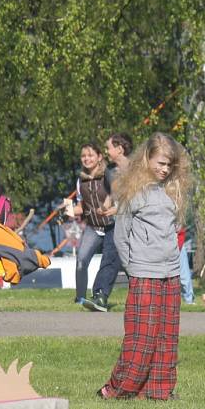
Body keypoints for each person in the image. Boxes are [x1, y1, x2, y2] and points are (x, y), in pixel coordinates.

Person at [99, 133, 190, 400]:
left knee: (166, 336)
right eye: (160, 163)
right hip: (143, 272)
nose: (164, 169)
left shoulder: (174, 191)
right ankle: (120, 388)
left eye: (169, 165)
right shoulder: (133, 192)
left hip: (170, 273)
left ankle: (157, 390)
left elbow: (175, 230)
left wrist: (171, 257)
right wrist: (133, 267)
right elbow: (121, 235)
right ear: (147, 158)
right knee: (142, 336)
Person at [86, 132, 134, 312]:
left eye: (108, 148)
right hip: (116, 223)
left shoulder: (137, 170)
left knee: (135, 262)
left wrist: (116, 209)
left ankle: (145, 296)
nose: (106, 151)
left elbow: (136, 198)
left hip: (135, 222)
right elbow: (110, 193)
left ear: (120, 149)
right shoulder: (110, 171)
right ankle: (100, 296)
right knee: (110, 256)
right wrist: (104, 208)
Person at [69, 143, 113, 311]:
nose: (86, 159)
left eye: (90, 155)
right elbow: (81, 207)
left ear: (99, 157)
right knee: (81, 260)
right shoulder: (80, 180)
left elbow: (117, 198)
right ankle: (80, 298)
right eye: (83, 156)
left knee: (121, 263)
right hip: (93, 227)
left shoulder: (108, 176)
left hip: (112, 227)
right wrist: (66, 211)